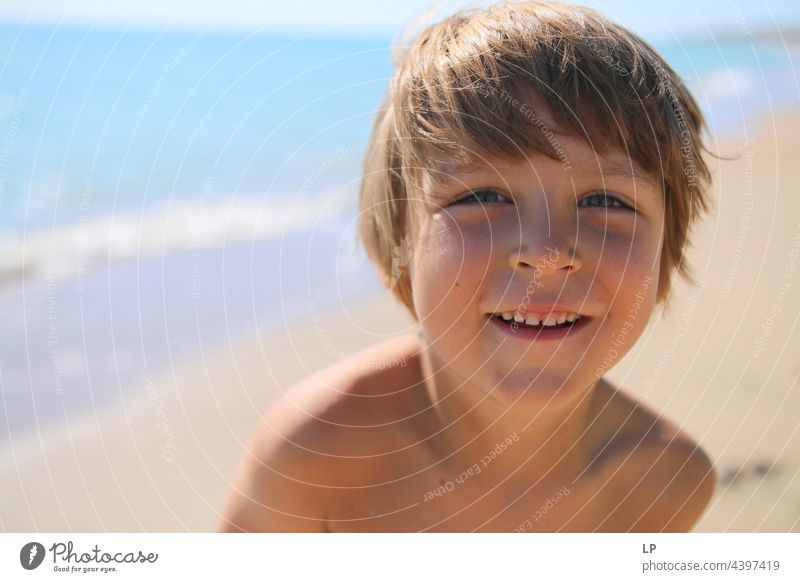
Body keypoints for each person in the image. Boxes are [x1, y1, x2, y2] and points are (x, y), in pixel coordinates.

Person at [220, 0, 716, 532]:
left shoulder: (666, 483)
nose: (548, 253)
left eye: (608, 202)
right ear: (399, 253)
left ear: (665, 259)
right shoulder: (318, 454)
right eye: (481, 196)